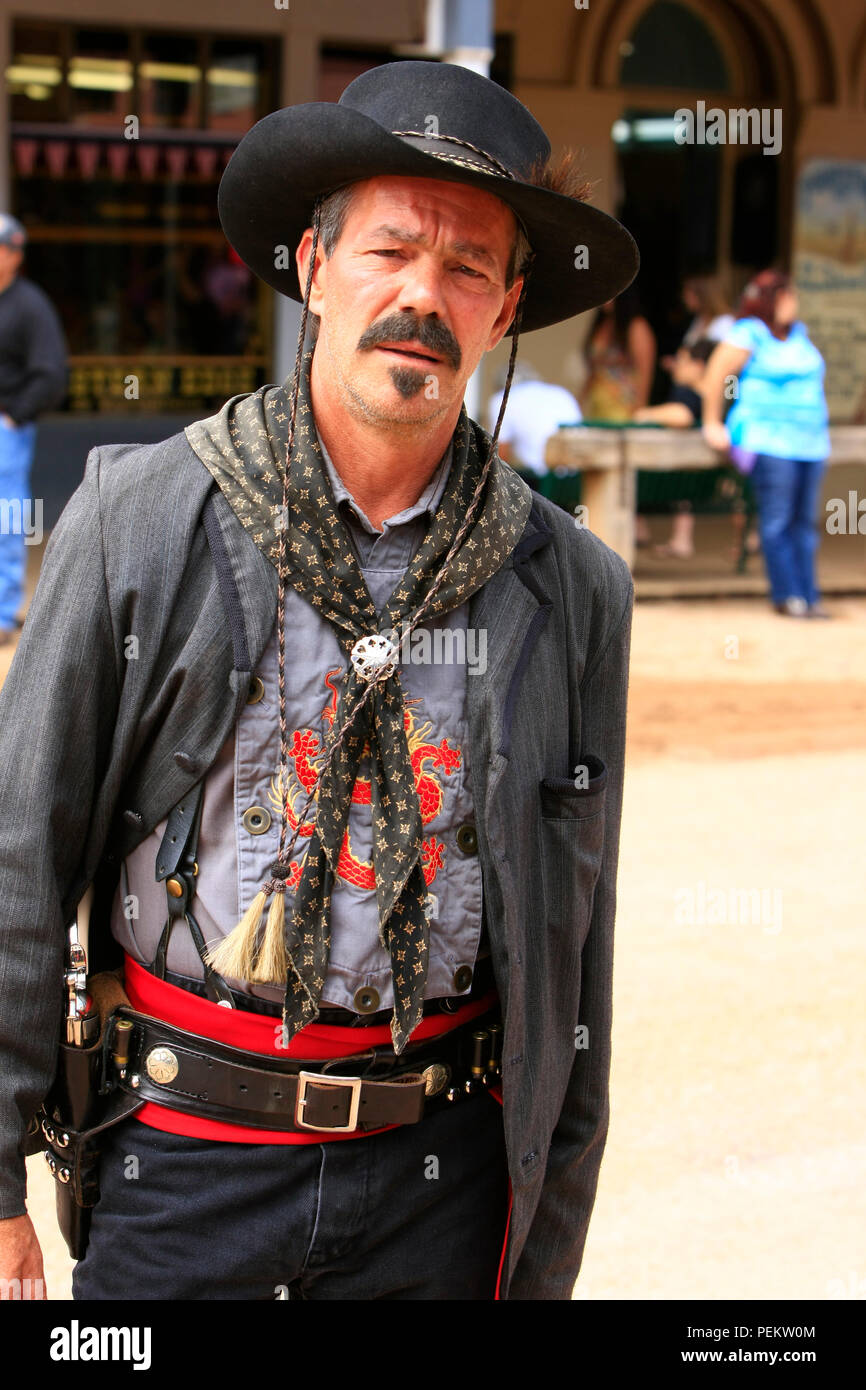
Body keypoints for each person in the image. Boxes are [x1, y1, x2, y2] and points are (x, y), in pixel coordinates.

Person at [0, 60, 637, 1302]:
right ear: (308, 265)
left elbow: (575, 953)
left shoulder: (569, 590)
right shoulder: (141, 520)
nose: (421, 297)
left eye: (466, 269)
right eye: (389, 250)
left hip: (440, 1191)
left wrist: (542, 1247)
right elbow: (16, 851)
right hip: (180, 1174)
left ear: (505, 308)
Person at [701, 269, 831, 618]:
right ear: (770, 299)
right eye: (787, 295)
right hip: (770, 442)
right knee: (778, 521)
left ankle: (809, 596)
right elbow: (717, 374)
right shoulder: (749, 333)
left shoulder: (799, 335)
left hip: (811, 444)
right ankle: (788, 597)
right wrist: (712, 422)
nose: (794, 302)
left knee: (805, 523)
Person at [0, 213, 67, 645]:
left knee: (7, 519)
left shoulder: (30, 304)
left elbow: (51, 373)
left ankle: (4, 614)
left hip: (6, 429)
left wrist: (14, 416)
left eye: (9, 248)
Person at [486, 359, 582, 489]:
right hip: (577, 478)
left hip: (543, 480)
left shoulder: (502, 399)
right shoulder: (560, 392)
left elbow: (500, 457)